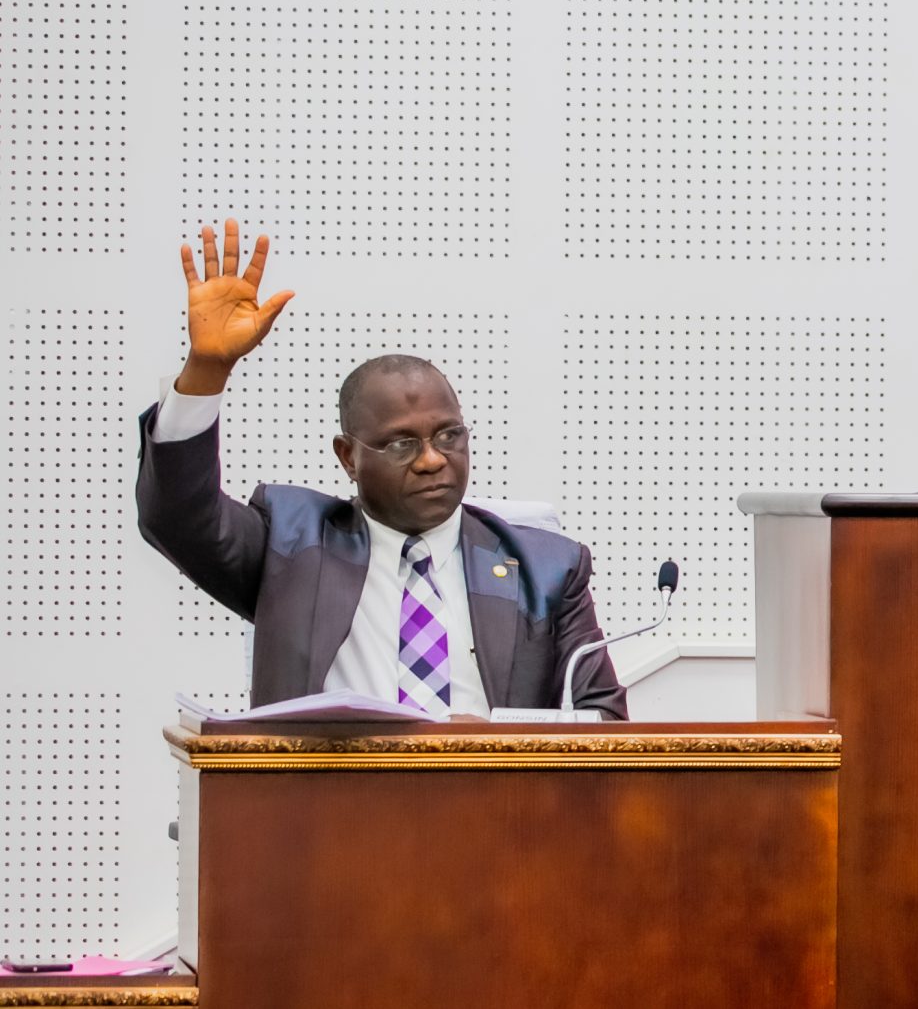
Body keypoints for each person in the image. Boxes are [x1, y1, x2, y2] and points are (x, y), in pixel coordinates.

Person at [136, 221, 627, 718]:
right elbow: (176, 517)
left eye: (449, 436)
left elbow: (604, 717)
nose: (433, 459)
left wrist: (491, 746)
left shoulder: (547, 568)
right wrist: (206, 371)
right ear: (348, 457)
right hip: (326, 793)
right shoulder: (291, 543)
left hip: (489, 793)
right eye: (401, 444)